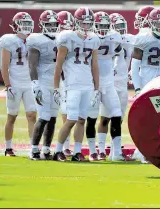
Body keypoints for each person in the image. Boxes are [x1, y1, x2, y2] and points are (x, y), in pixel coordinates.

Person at [130, 8, 160, 163]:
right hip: (147, 81)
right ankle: (143, 150)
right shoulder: (143, 38)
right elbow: (134, 66)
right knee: (147, 119)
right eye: (158, 21)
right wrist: (138, 88)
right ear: (151, 22)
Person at [53, 7, 100, 162]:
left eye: (89, 23)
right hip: (72, 84)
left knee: (81, 119)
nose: (86, 26)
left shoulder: (94, 39)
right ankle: (58, 151)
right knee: (71, 119)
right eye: (83, 23)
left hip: (87, 84)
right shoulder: (67, 37)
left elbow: (94, 65)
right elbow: (58, 65)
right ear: (76, 22)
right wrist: (55, 87)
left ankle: (77, 152)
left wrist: (96, 88)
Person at [96, 13, 135, 160]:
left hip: (123, 85)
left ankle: (115, 151)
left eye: (121, 26)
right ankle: (100, 150)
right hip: (109, 83)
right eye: (117, 27)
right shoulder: (108, 39)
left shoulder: (130, 39)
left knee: (118, 119)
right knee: (105, 118)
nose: (120, 29)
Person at [0, 12, 37, 157]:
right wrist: (8, 85)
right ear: (16, 25)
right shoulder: (9, 41)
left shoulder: (34, 40)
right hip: (15, 82)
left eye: (28, 24)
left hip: (30, 83)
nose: (26, 27)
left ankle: (34, 147)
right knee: (12, 116)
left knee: (32, 115)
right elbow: (4, 65)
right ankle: (8, 148)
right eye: (23, 23)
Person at [27, 10, 60, 160]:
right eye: (49, 24)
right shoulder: (36, 39)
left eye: (54, 24)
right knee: (44, 116)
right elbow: (32, 65)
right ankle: (33, 149)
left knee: (53, 117)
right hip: (42, 82)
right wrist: (35, 84)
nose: (52, 27)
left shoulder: (61, 38)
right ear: (42, 25)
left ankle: (46, 150)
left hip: (56, 83)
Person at [57, 10, 75, 157]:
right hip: (60, 79)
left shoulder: (75, 38)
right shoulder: (54, 39)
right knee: (64, 112)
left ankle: (67, 146)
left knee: (72, 113)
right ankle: (64, 146)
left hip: (73, 79)